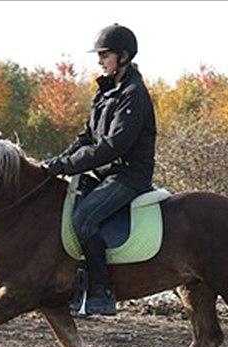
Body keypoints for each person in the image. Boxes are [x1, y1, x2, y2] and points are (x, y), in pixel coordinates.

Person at [42, 24, 157, 316]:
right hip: (107, 174)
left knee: (84, 219)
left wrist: (67, 165)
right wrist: (56, 162)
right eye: (100, 55)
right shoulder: (106, 93)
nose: (100, 61)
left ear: (123, 56)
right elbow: (87, 137)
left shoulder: (134, 94)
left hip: (129, 176)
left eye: (105, 55)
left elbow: (112, 146)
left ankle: (102, 291)